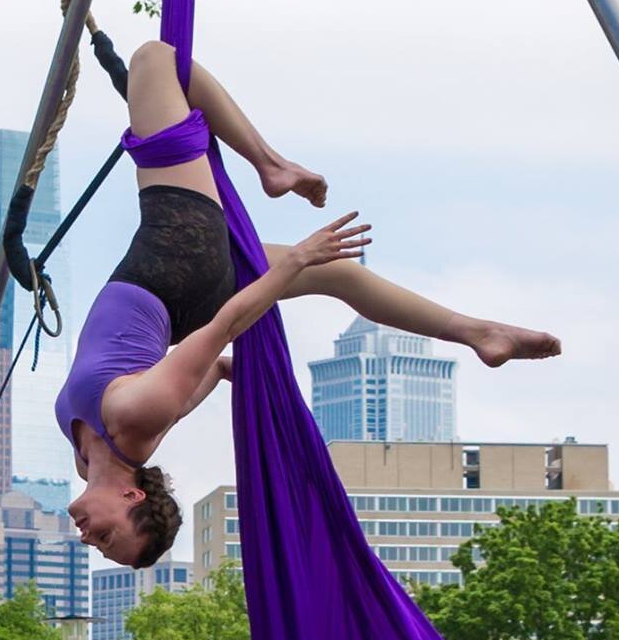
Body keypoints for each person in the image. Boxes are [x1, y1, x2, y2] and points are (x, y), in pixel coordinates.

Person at [58, 39, 560, 570]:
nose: (92, 539)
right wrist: (296, 259)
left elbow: (213, 370)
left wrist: (242, 379)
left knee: (340, 275)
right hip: (178, 255)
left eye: (100, 546)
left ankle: (479, 333)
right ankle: (272, 166)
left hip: (177, 284)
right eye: (110, 539)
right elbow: (225, 329)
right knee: (155, 61)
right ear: (132, 498)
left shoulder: (91, 452)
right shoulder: (135, 420)